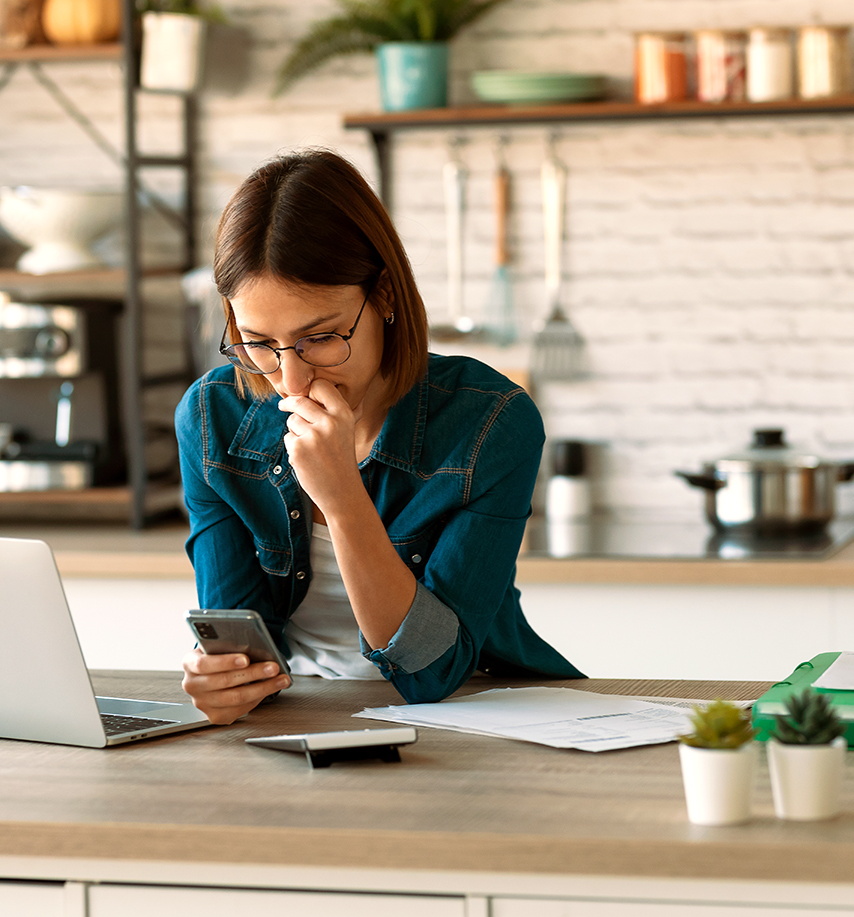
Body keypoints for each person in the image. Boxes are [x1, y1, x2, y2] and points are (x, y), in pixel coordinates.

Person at [175, 148, 582, 725]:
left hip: (480, 715)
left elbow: (432, 672)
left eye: (319, 337)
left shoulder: (491, 422)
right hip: (301, 717)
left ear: (385, 296)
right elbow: (239, 637)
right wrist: (222, 677)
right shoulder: (213, 417)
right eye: (259, 342)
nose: (290, 379)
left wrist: (341, 496)